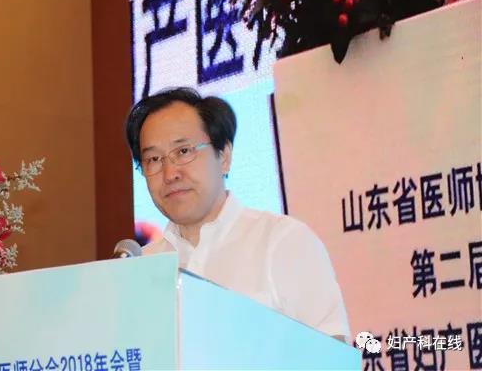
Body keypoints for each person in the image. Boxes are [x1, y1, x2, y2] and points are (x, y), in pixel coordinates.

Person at [125, 87, 350, 343]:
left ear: (224, 156)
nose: (170, 174)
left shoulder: (283, 241)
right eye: (154, 159)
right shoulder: (140, 268)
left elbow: (333, 356)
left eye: (184, 151)